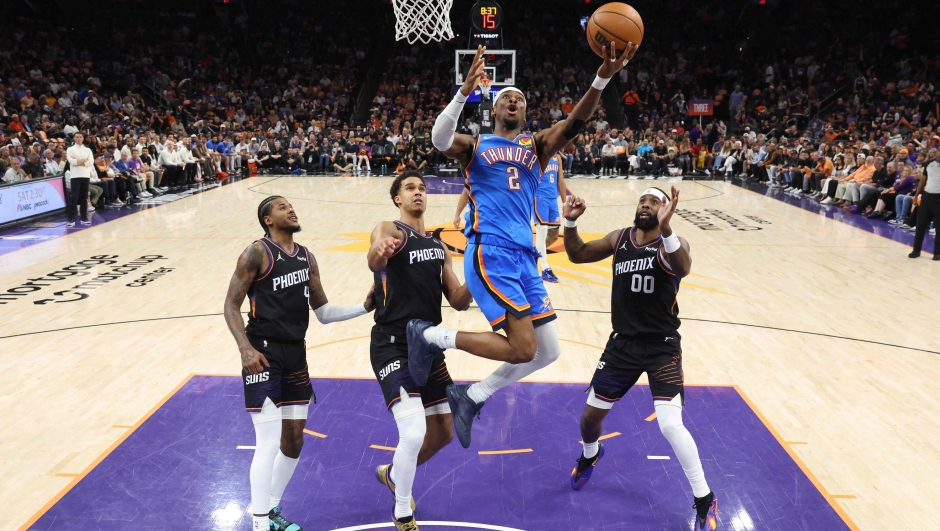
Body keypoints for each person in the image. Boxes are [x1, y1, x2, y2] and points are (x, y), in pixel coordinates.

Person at [412, 43, 637, 449]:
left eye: (520, 98)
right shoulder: (475, 145)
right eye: (506, 98)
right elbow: (438, 137)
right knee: (522, 347)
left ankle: (472, 395)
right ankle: (430, 337)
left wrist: (602, 76)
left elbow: (575, 123)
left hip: (524, 259)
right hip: (492, 252)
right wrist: (464, 92)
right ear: (495, 110)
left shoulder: (536, 147)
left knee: (546, 351)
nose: (513, 101)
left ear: (525, 111)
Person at [562, 186, 718, 530]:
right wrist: (569, 224)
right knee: (589, 420)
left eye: (654, 201)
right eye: (642, 200)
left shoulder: (672, 242)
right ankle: (591, 455)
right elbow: (577, 255)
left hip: (661, 346)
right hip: (623, 346)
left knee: (669, 424)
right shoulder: (620, 239)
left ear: (665, 209)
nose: (646, 205)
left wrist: (667, 229)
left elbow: (684, 267)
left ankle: (705, 498)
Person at [223, 196, 376, 531]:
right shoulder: (257, 253)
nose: (290, 209)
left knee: (293, 439)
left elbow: (322, 313)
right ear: (267, 219)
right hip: (263, 353)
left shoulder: (306, 257)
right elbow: (231, 305)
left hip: (296, 354)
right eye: (281, 207)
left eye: (291, 205)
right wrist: (244, 349)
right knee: (266, 440)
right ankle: (259, 523)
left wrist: (364, 307)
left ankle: (272, 508)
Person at [366, 172, 472, 530]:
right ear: (398, 198)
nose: (418, 193)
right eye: (410, 188)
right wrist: (378, 253)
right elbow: (375, 259)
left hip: (426, 347)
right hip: (392, 344)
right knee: (412, 434)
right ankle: (402, 512)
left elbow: (457, 300)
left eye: (422, 188)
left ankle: (394, 474)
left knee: (443, 432)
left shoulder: (439, 247)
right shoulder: (390, 230)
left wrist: (481, 273)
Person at [534, 153, 570, 283]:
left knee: (554, 235)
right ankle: (545, 268)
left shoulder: (557, 157)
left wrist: (565, 204)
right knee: (542, 234)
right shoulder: (537, 156)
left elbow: (560, 181)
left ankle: (533, 254)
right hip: (539, 198)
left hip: (552, 199)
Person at [909, 148, 940, 260]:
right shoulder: (928, 163)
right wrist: (917, 195)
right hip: (927, 196)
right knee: (920, 225)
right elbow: (923, 180)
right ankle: (916, 250)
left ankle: (937, 253)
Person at [65, 132, 94, 227]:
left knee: (84, 197)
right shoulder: (70, 149)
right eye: (77, 137)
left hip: (85, 175)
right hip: (75, 175)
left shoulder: (88, 149)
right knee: (74, 197)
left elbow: (91, 162)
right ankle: (71, 218)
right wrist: (83, 161)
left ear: (83, 138)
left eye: (80, 137)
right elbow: (71, 161)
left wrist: (78, 161)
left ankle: (84, 217)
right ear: (74, 138)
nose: (79, 138)